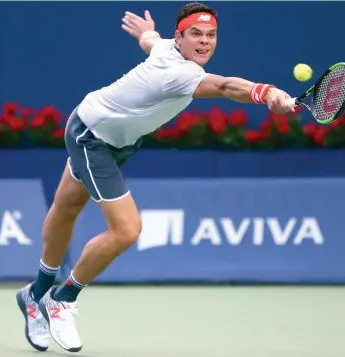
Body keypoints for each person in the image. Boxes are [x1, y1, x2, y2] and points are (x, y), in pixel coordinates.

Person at [16, 2, 293, 353]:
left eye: (211, 36)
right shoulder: (180, 73)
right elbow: (224, 87)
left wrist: (145, 32)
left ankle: (34, 294)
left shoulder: (166, 46)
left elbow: (151, 41)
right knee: (127, 230)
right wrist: (266, 92)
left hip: (110, 134)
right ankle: (63, 298)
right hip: (93, 138)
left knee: (67, 205)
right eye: (196, 34)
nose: (205, 42)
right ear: (180, 37)